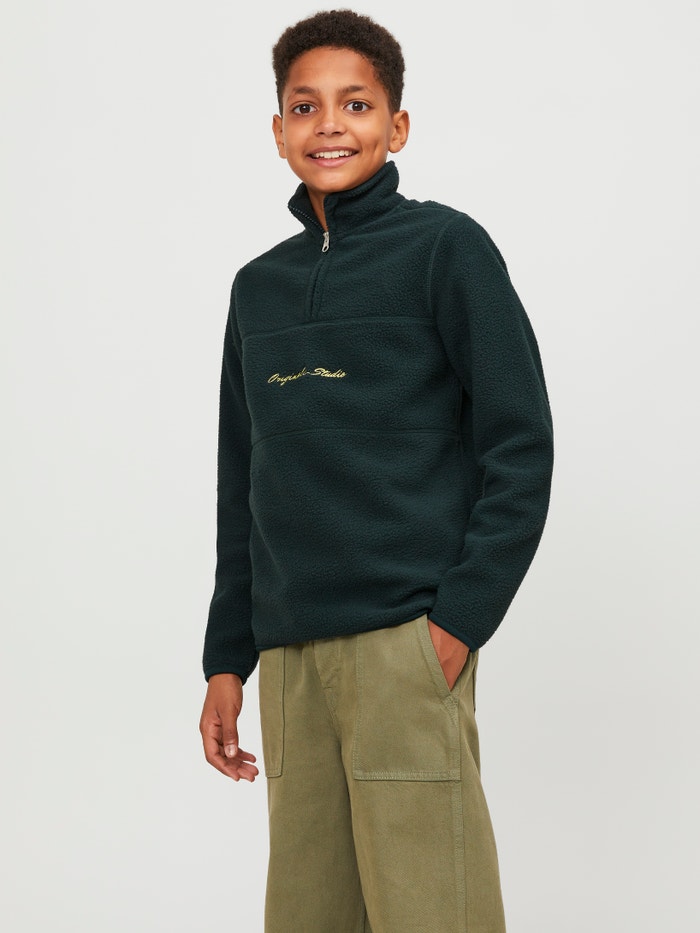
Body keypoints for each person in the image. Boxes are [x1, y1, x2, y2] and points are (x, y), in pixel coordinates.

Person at [199, 9, 553, 932]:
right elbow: (243, 480)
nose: (329, 125)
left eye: (355, 104)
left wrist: (457, 622)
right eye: (304, 106)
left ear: (396, 126)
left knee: (435, 912)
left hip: (406, 642)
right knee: (309, 916)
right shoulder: (257, 289)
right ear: (277, 129)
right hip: (289, 661)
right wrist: (228, 657)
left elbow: (519, 444)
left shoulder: (445, 249)